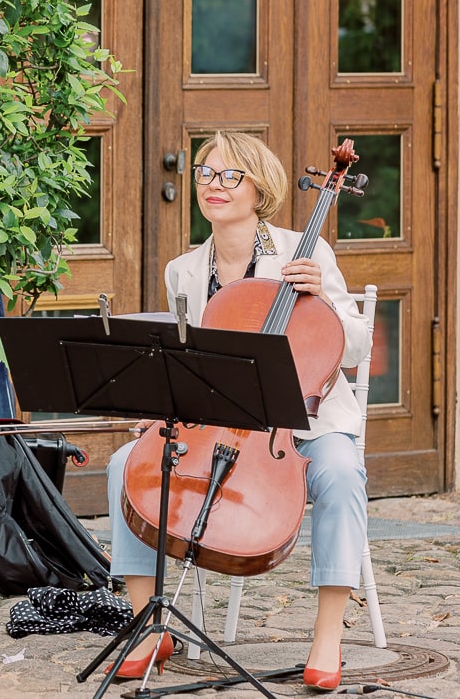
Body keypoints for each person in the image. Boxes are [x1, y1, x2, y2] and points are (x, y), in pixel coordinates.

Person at [104, 131, 371, 690]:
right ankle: (148, 626)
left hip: (303, 426)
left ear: (260, 187)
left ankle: (327, 639)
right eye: (205, 173)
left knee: (343, 475)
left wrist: (321, 300)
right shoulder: (185, 270)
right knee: (126, 462)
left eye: (230, 176)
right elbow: (187, 362)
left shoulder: (307, 250)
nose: (213, 185)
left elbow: (355, 346)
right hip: (218, 425)